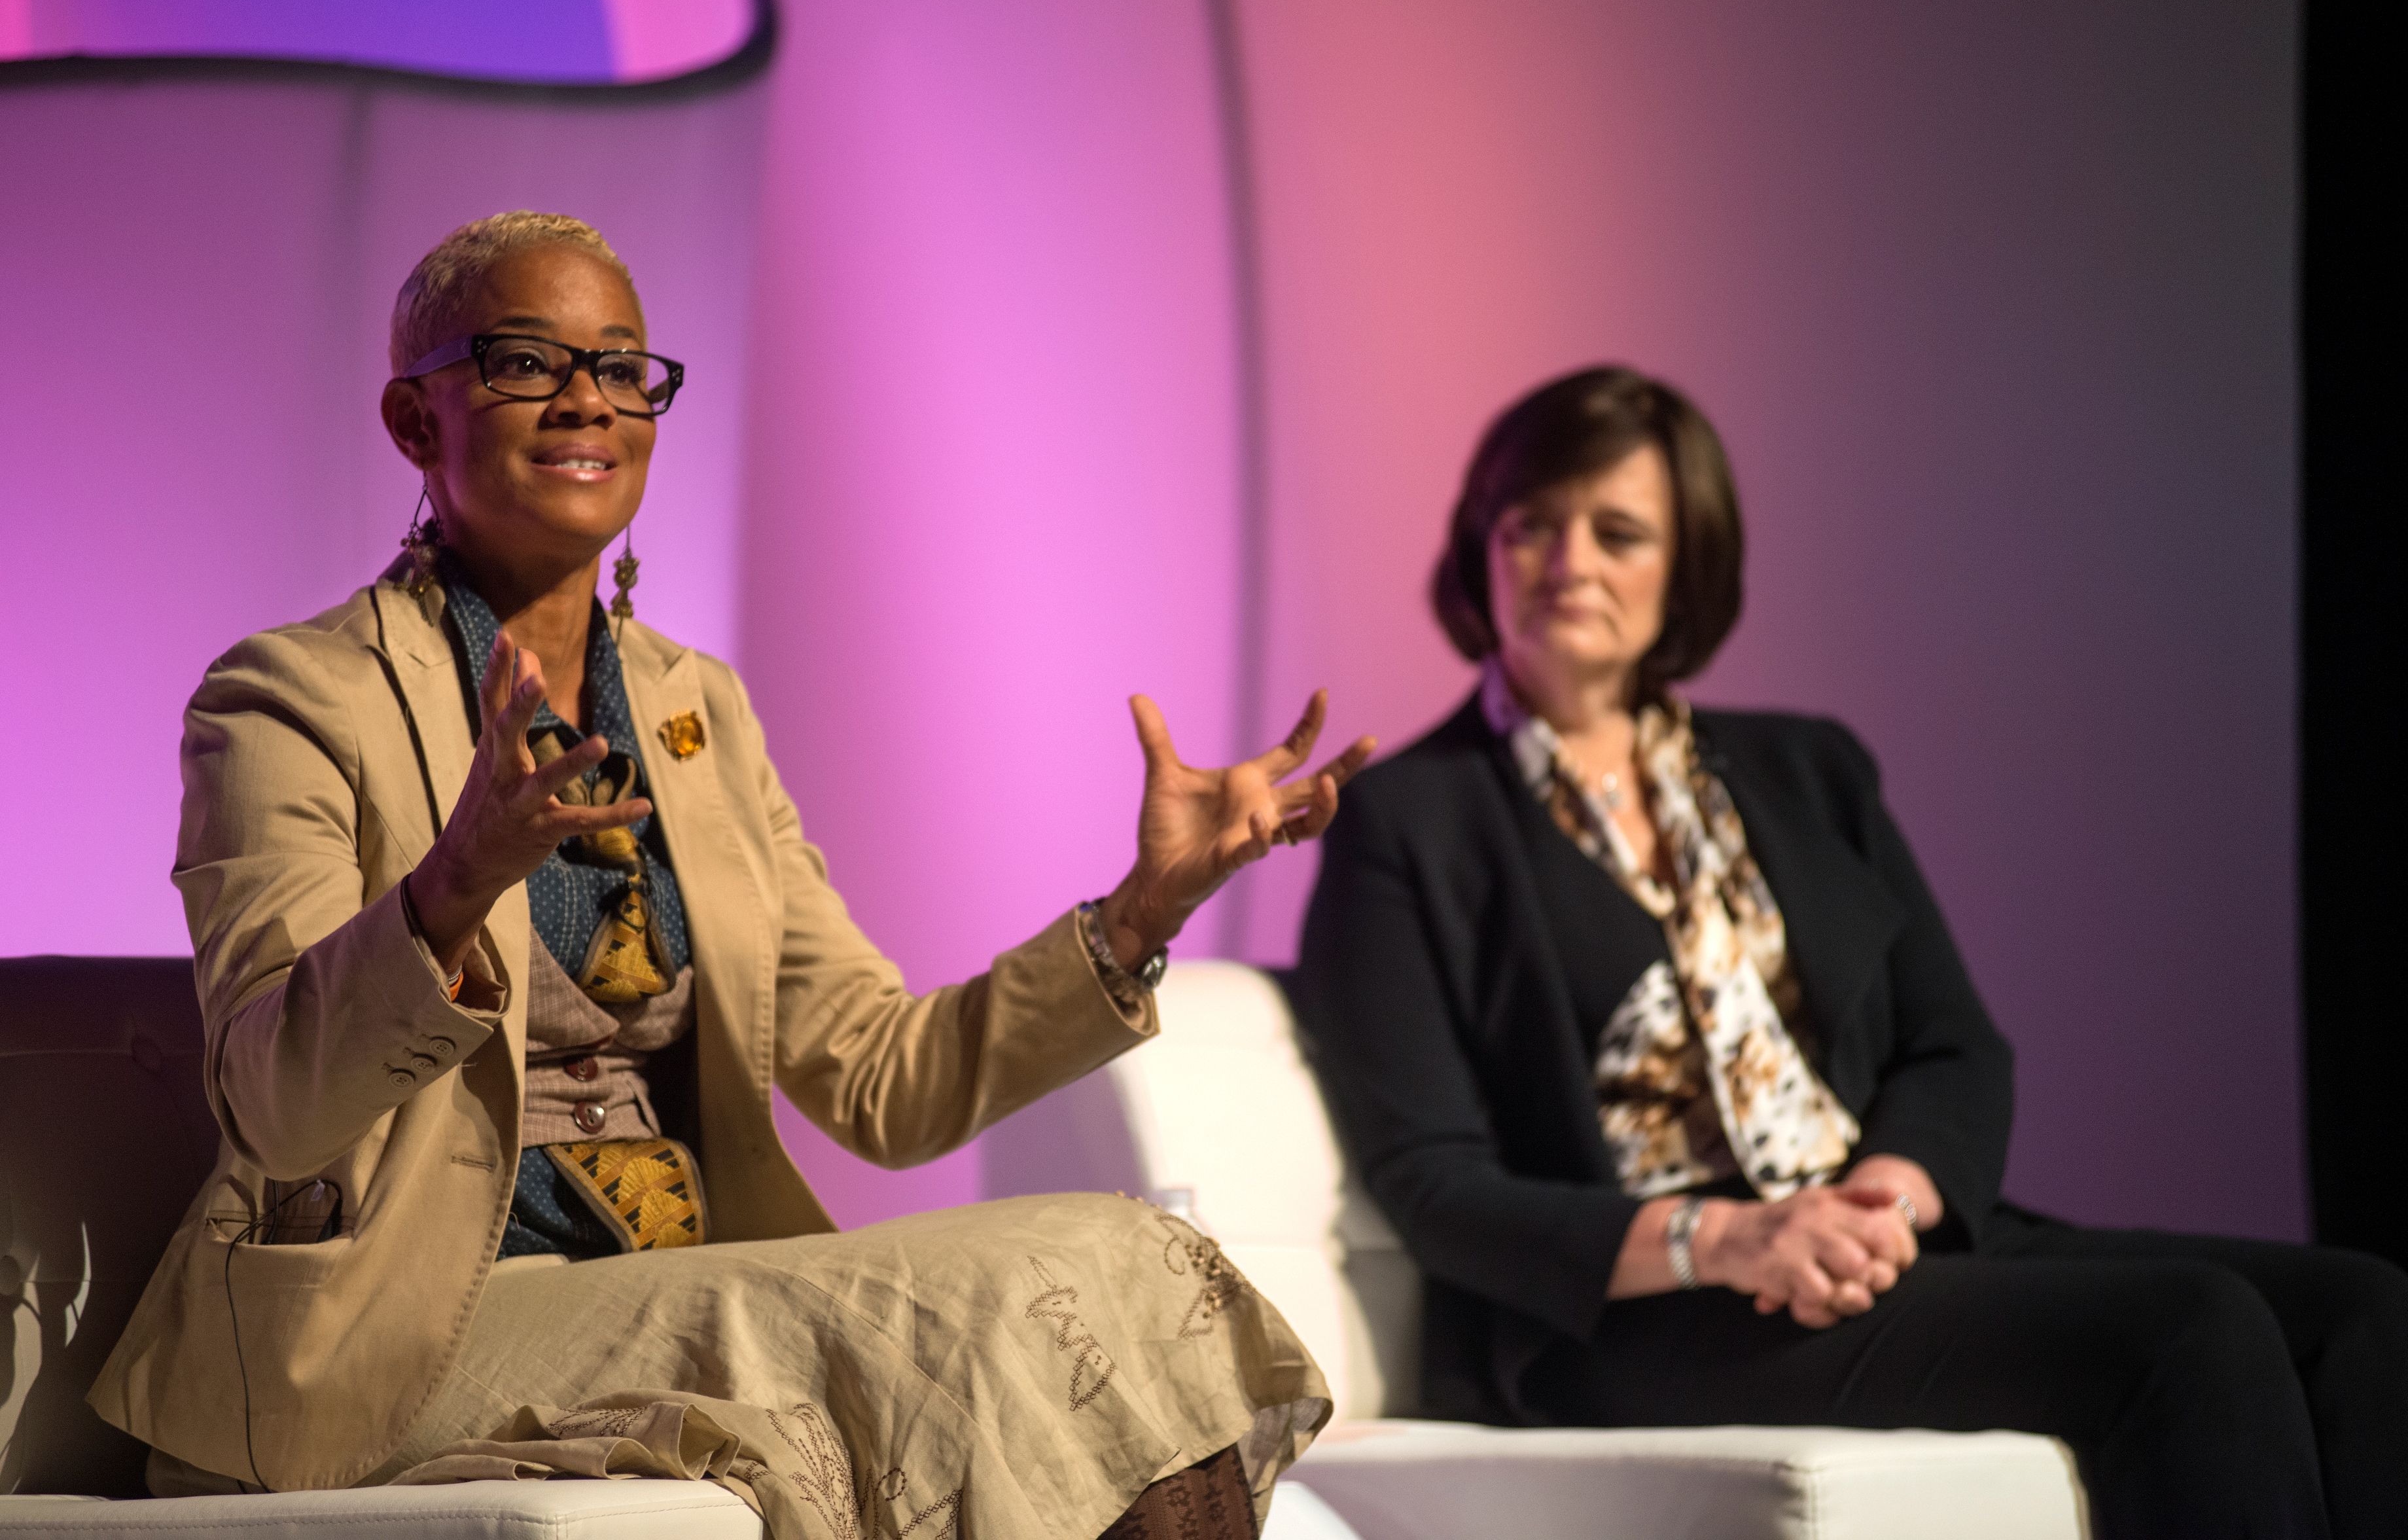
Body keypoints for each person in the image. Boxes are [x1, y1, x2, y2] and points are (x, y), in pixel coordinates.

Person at [90, 211, 1374, 1540]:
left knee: (1109, 1255)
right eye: (526, 361)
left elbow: (884, 1081)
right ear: (417, 423)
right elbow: (274, 1099)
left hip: (667, 1279)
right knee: (950, 1311)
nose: (587, 397)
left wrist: (1136, 914)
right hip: (401, 1328)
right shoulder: (292, 698)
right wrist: (453, 884)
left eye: (623, 366)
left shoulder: (696, 707)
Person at [1290, 365, 2408, 1540]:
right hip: (1648, 1312)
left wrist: (1891, 1196)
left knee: (2364, 1312)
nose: (1568, 561)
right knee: (2192, 1330)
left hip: (1871, 1235)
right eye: (1531, 527)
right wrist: (1730, 1238)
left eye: (1617, 532)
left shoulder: (1809, 770)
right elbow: (1434, 1181)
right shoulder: (1405, 820)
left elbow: (1953, 1045)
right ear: (1482, 551)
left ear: (1686, 569)